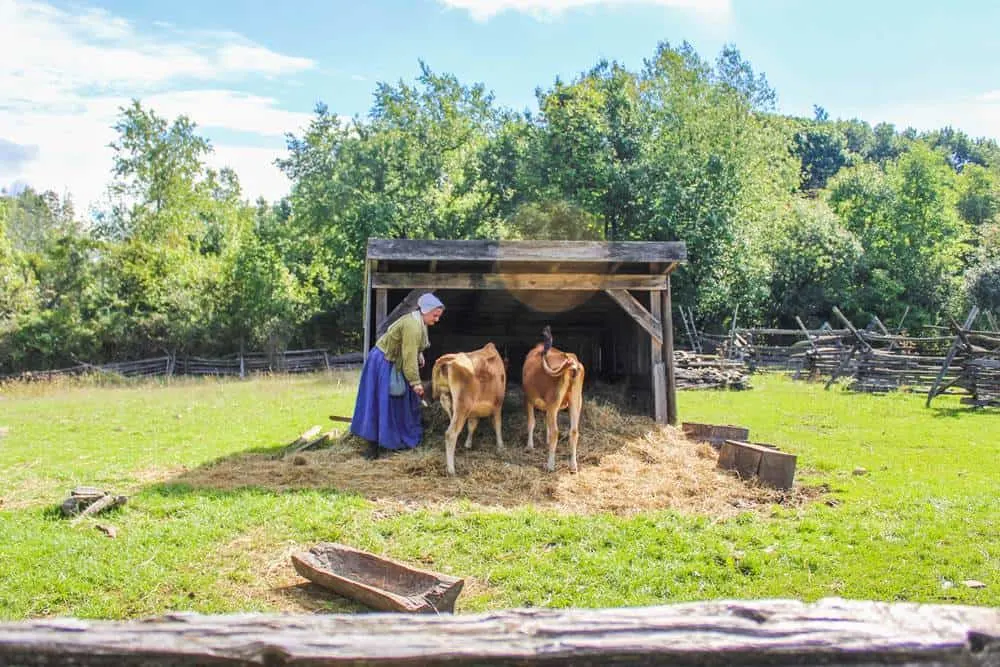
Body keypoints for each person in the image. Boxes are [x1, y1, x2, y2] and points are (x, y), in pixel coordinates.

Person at [350, 293, 445, 459]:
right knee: (381, 402)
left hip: (396, 362)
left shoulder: (419, 322)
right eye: (435, 315)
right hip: (383, 362)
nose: (437, 320)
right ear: (425, 311)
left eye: (438, 316)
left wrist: (420, 354)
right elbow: (409, 356)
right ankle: (373, 446)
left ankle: (397, 440)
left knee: (401, 402)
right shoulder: (413, 326)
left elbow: (415, 347)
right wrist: (415, 383)